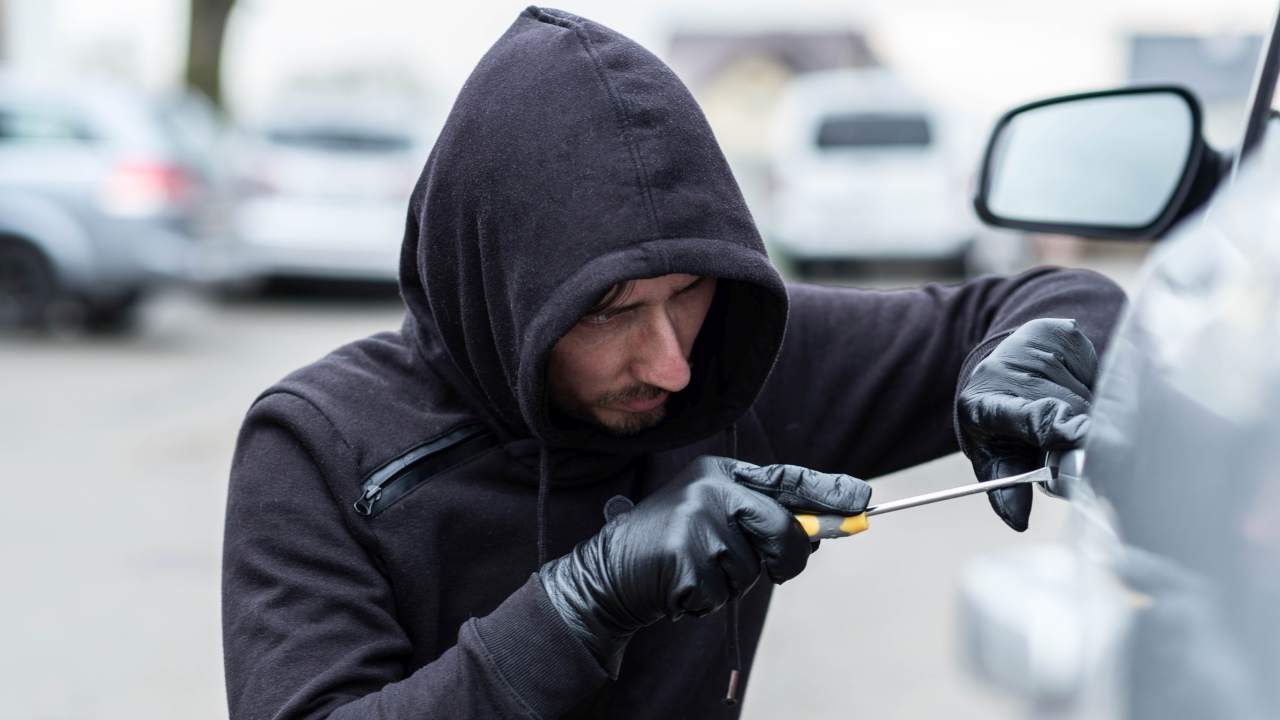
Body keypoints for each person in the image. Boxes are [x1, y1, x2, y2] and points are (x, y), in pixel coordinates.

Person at [221, 7, 1126, 719]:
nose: (671, 366)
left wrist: (1027, 361)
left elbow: (1045, 300)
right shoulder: (317, 446)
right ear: (500, 288)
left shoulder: (733, 358)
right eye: (611, 312)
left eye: (686, 292)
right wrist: (580, 603)